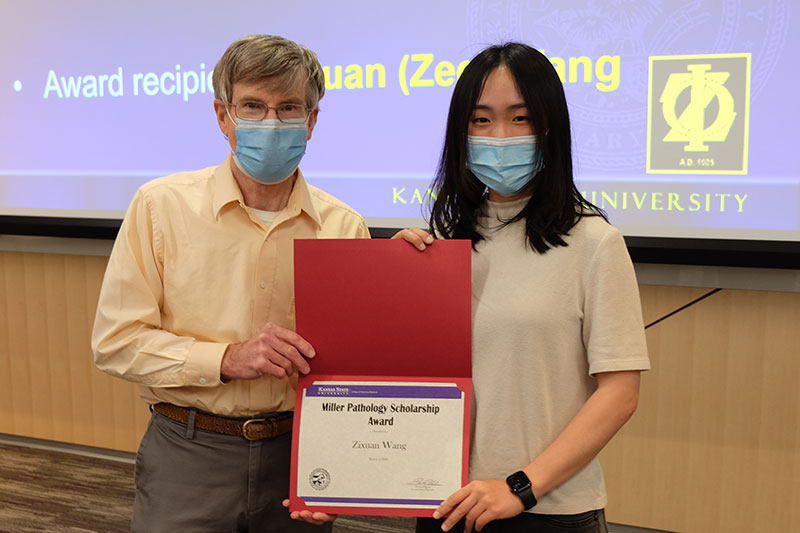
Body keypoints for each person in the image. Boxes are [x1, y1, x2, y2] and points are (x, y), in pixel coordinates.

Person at [91, 35, 368, 532]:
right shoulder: (160, 207)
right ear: (223, 116)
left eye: (289, 108)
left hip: (301, 456)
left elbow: (361, 366)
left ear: (312, 120)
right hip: (189, 450)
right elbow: (116, 344)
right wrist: (226, 358)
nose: (272, 123)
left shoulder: (345, 227)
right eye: (253, 107)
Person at [395, 43, 650, 533]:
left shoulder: (594, 241)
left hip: (549, 511)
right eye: (482, 120)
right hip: (448, 505)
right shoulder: (442, 245)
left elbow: (620, 392)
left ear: (549, 128)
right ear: (460, 132)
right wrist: (396, 276)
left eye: (520, 118)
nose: (500, 136)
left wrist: (520, 487)